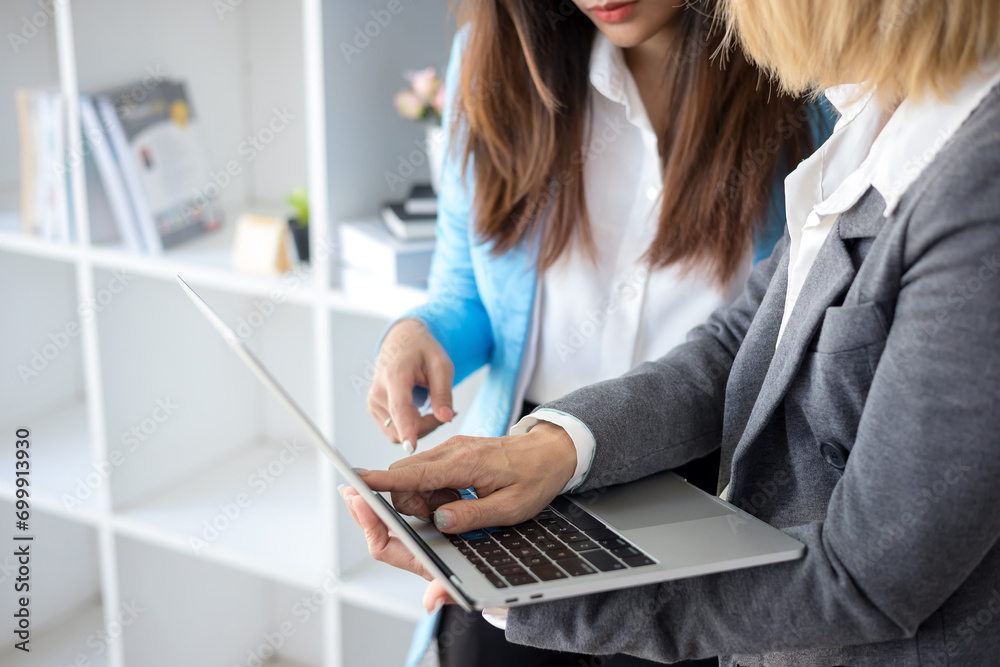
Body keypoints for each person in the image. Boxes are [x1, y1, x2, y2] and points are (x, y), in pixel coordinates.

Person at [345, 0, 1000, 664]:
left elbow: (867, 571)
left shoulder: (955, 175)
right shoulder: (872, 126)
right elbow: (738, 344)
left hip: (724, 522)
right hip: (584, 448)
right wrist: (551, 447)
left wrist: (544, 598)